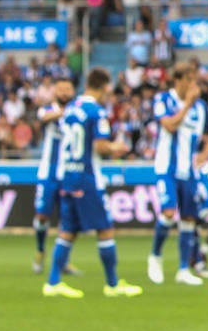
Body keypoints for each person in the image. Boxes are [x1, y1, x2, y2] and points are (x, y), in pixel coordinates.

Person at [42, 68, 142, 299]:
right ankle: (113, 284)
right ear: (104, 86)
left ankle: (53, 282)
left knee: (67, 231)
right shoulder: (96, 112)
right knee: (105, 228)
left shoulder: (71, 108)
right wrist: (116, 148)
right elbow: (100, 146)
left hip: (68, 175)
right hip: (88, 179)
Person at [147, 62, 208, 287]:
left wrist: (206, 153)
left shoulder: (201, 108)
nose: (192, 85)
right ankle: (155, 257)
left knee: (189, 218)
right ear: (177, 80)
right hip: (166, 168)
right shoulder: (164, 100)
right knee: (168, 213)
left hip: (189, 171)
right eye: (188, 80)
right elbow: (168, 125)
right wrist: (187, 105)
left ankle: (182, 269)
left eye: (194, 80)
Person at [32, 78, 77, 274]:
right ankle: (41, 250)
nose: (65, 92)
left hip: (68, 173)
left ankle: (63, 260)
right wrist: (64, 112)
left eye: (68, 89)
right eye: (61, 89)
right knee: (42, 215)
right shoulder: (48, 109)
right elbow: (44, 118)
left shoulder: (79, 112)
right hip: (48, 173)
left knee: (67, 219)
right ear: (55, 92)